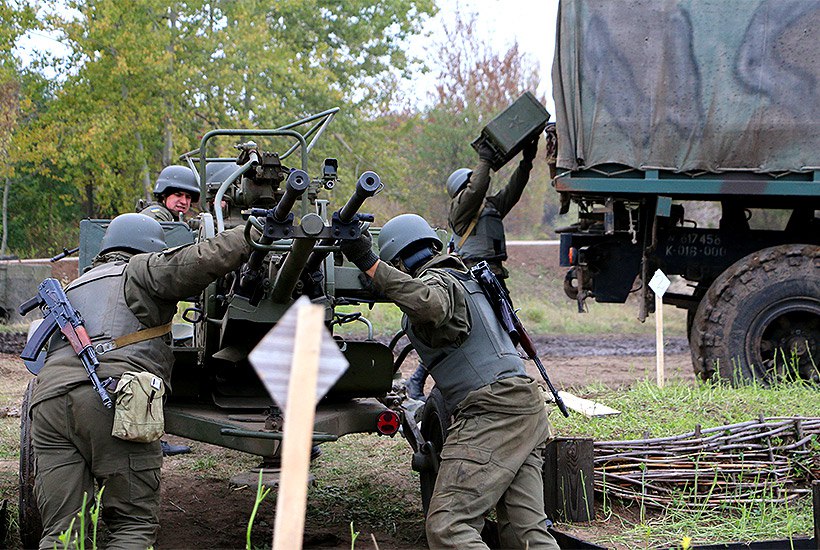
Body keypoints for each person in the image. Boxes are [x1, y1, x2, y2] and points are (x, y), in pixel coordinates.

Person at [29, 213, 254, 548]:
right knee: (132, 525)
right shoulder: (140, 270)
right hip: (111, 397)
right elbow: (197, 260)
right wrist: (248, 235)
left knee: (63, 532)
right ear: (149, 247)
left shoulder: (76, 284)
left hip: (47, 405)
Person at [340, 213, 558, 549]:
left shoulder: (438, 281)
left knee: (448, 526)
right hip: (526, 408)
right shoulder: (467, 280)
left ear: (399, 262)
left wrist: (369, 263)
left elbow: (430, 305)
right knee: (525, 533)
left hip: (492, 412)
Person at [405, 135, 540, 401]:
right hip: (472, 278)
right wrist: (485, 159)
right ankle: (418, 379)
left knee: (508, 328)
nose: (477, 185)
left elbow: (514, 189)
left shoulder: (491, 207)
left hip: (494, 276)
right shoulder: (459, 211)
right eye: (471, 183)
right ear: (461, 190)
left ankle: (500, 379)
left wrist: (527, 161)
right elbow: (476, 189)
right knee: (466, 335)